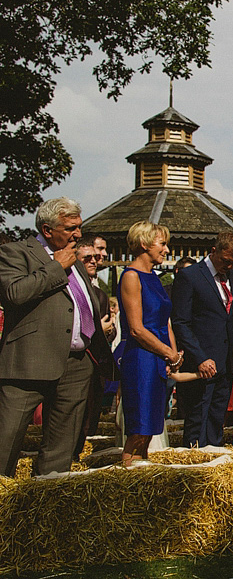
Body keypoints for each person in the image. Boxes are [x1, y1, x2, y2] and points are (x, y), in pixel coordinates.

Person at [0, 197, 114, 476]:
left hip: (76, 362)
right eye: (70, 228)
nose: (77, 234)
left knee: (61, 448)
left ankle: (47, 503)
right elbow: (14, 294)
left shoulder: (73, 256)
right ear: (47, 229)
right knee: (6, 440)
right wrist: (56, 267)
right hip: (30, 361)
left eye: (79, 228)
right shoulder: (16, 253)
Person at [171, 231, 233, 447]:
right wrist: (200, 357)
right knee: (197, 419)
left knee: (217, 418)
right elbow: (181, 322)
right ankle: (194, 464)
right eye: (225, 261)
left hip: (226, 362)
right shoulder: (190, 276)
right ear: (213, 251)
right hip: (200, 365)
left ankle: (214, 458)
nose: (229, 266)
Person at [115, 221, 183, 465]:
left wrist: (173, 355)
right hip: (142, 358)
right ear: (144, 244)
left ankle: (142, 475)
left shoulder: (154, 277)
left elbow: (166, 322)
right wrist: (169, 353)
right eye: (162, 244)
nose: (166, 250)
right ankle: (126, 476)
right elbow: (136, 329)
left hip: (159, 358)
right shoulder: (131, 277)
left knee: (152, 426)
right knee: (139, 427)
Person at [73, 236, 118, 458]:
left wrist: (110, 331)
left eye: (97, 256)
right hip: (73, 362)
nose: (96, 260)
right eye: (88, 257)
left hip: (95, 364)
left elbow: (109, 323)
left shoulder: (99, 293)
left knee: (89, 418)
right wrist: (98, 329)